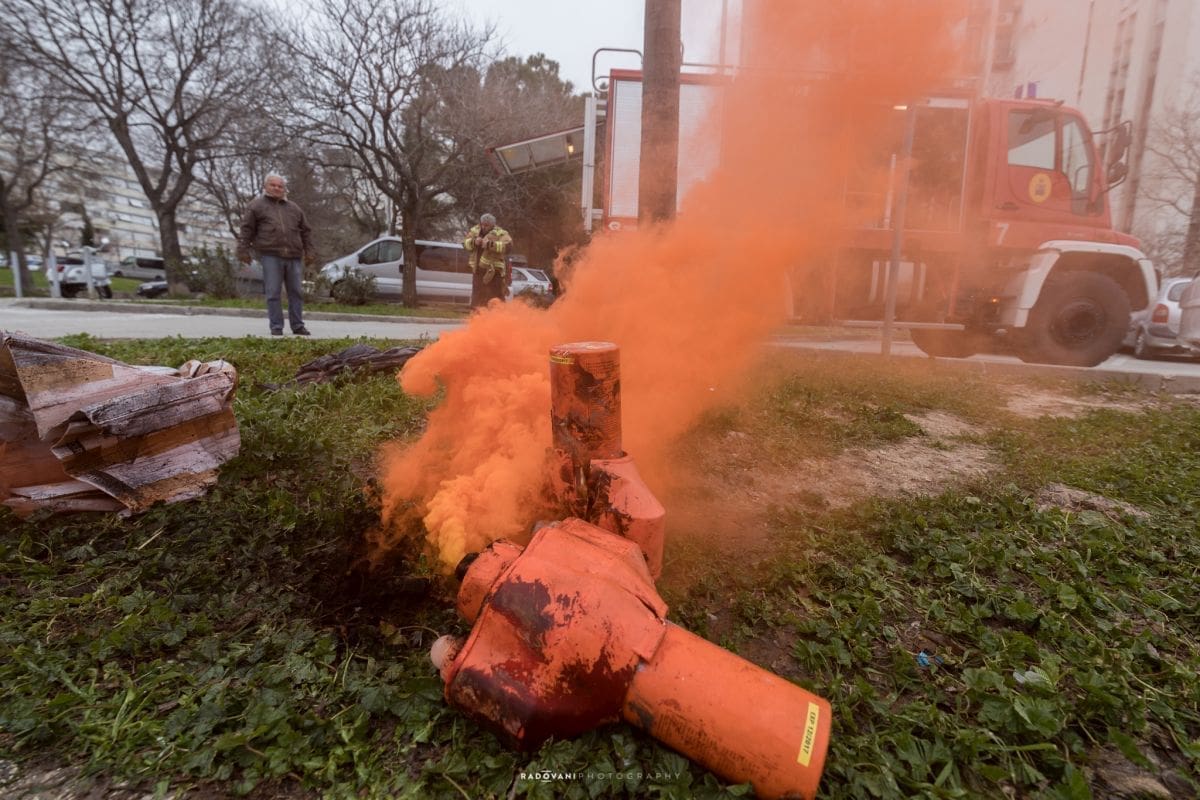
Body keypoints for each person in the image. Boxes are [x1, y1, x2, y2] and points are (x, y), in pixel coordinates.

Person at [236, 174, 314, 336]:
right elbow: (246, 229)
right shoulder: (256, 206)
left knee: (296, 292)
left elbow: (306, 231)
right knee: (273, 293)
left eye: (280, 186)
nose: (277, 188)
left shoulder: (294, 208)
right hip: (270, 254)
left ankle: (297, 325)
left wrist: (310, 251)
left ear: (284, 189)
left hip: (294, 255)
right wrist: (242, 249)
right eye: (273, 185)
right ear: (265, 186)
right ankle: (276, 326)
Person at [463, 213, 513, 309]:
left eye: (487, 225)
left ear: (493, 225)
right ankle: (477, 316)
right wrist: (474, 242)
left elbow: (508, 247)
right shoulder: (474, 231)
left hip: (495, 273)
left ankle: (498, 316)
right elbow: (464, 244)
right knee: (477, 298)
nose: (484, 227)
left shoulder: (501, 233)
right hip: (478, 272)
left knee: (495, 297)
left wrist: (490, 244)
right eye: (482, 224)